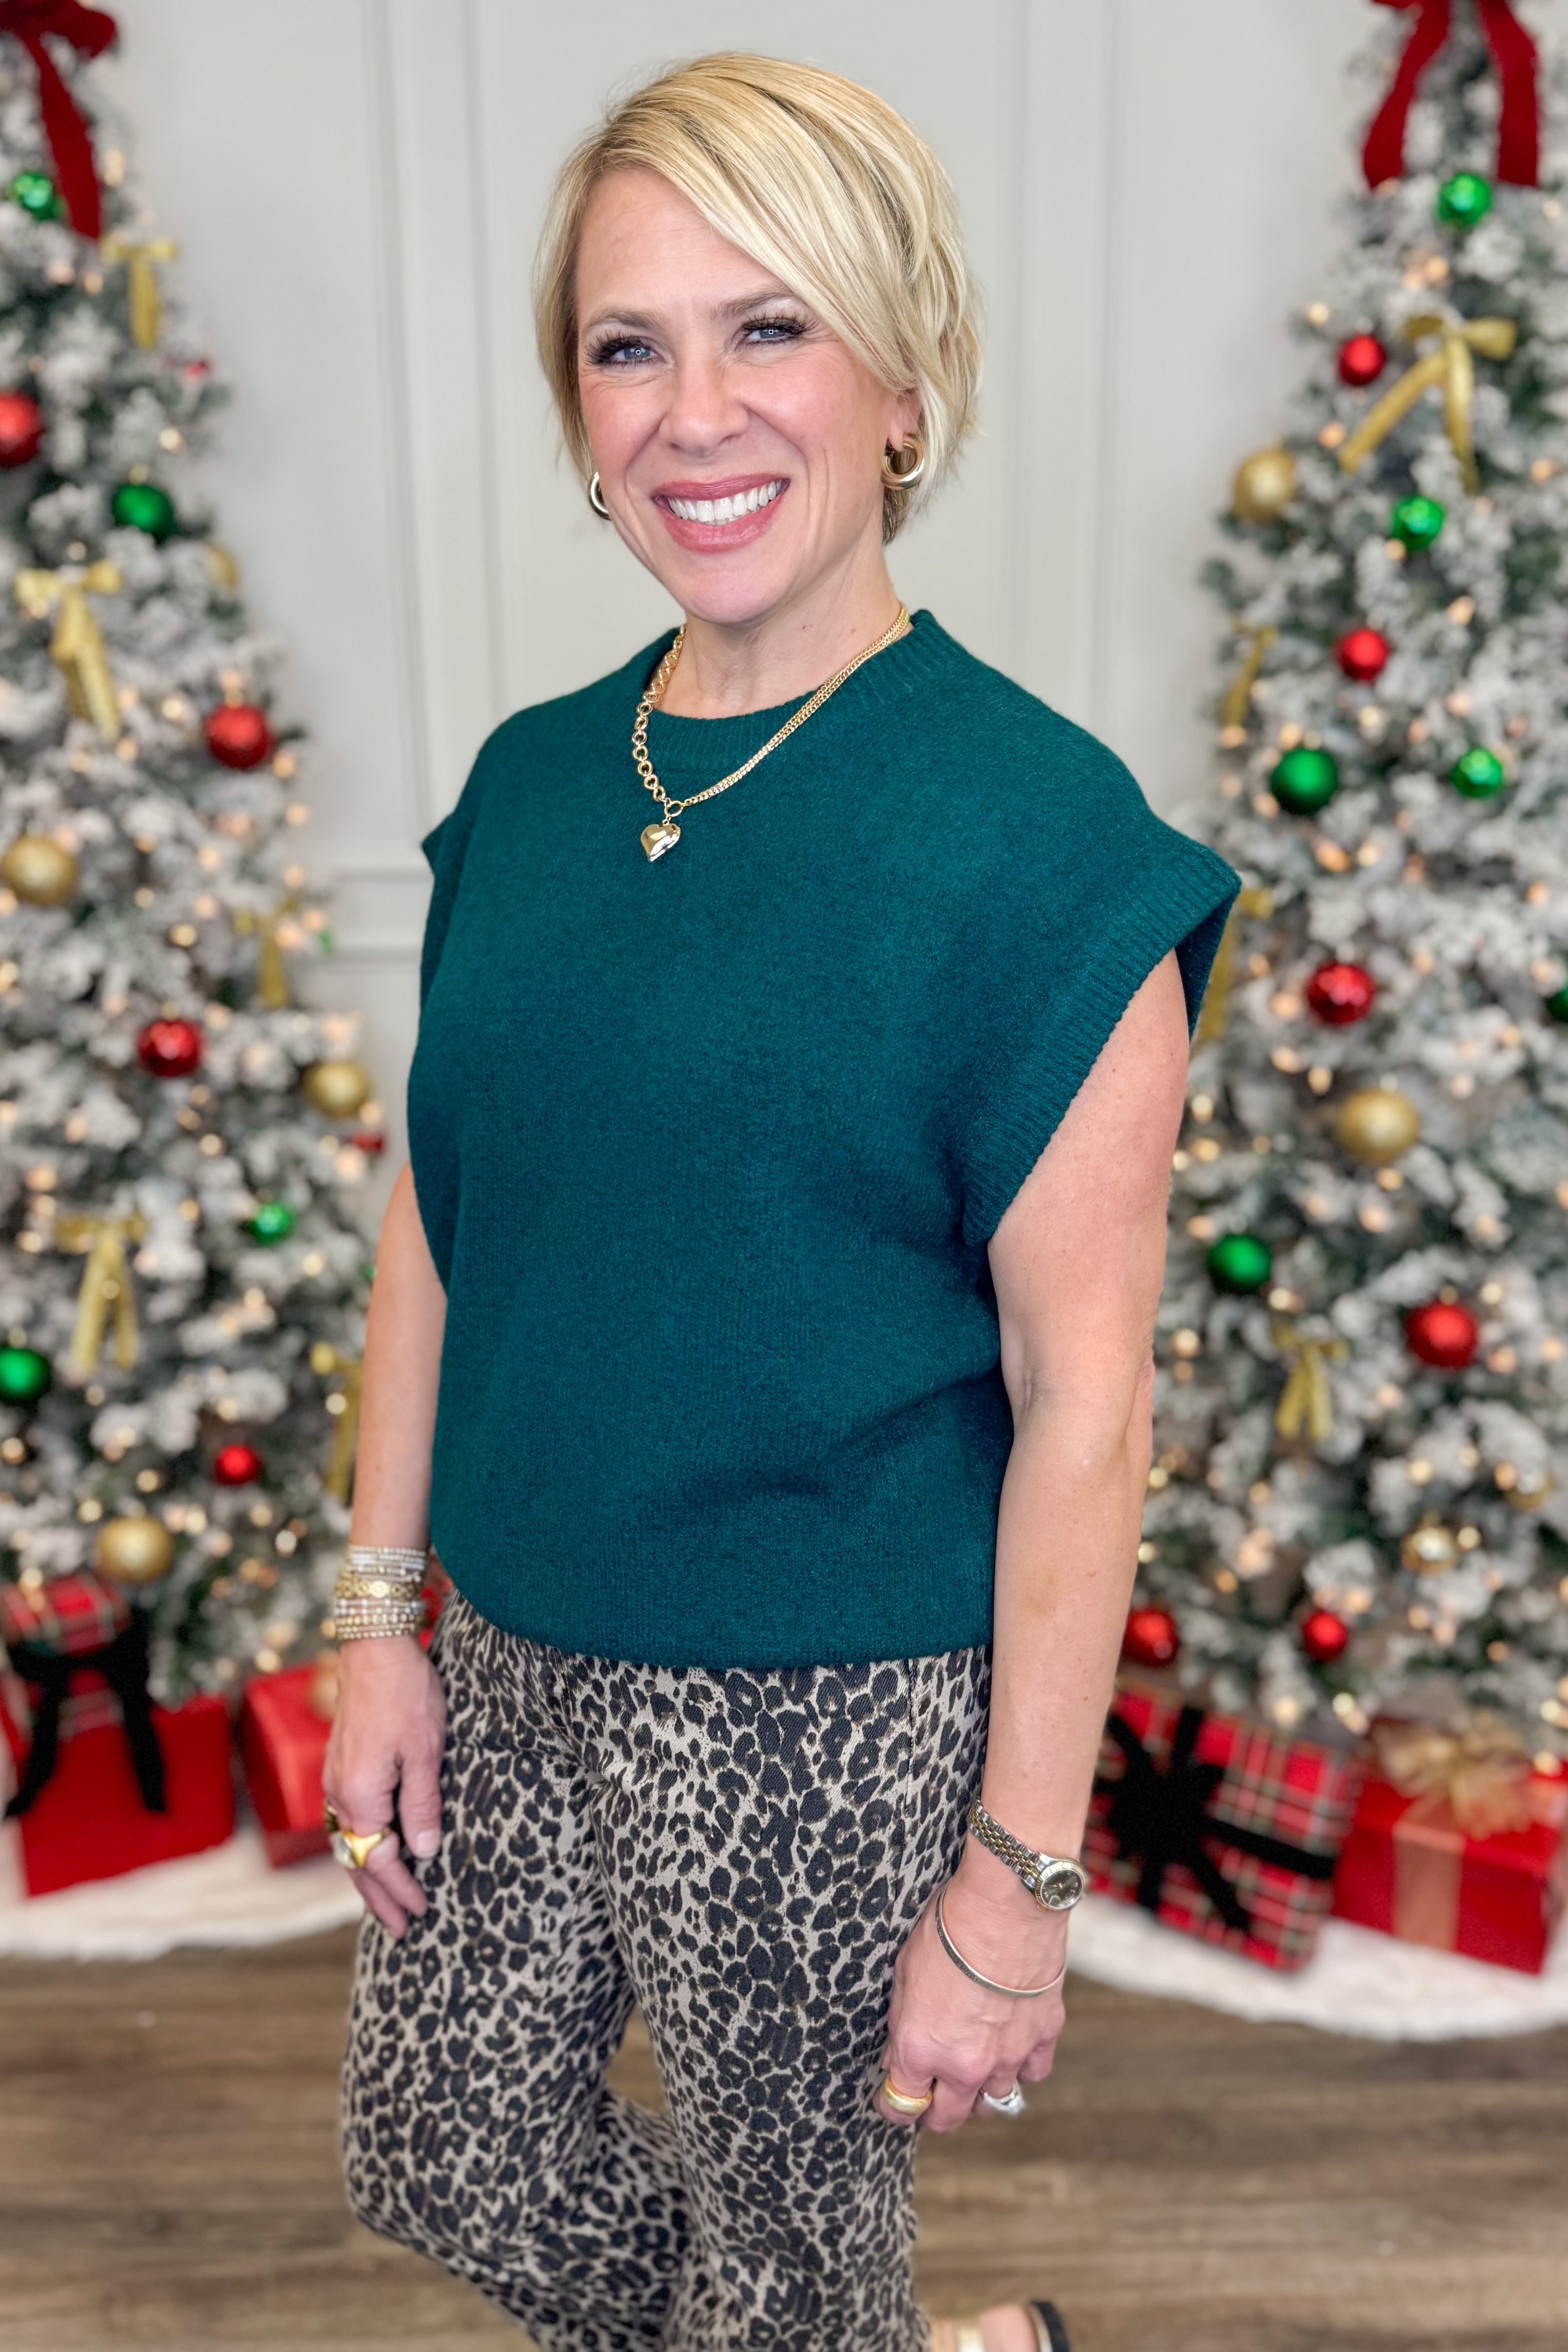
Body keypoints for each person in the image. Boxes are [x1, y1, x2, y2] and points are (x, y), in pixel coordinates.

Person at [325, 51, 1238, 2352]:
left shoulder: (1041, 849)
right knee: (444, 2151)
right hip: (509, 1647)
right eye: (629, 346)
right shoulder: (535, 784)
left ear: (903, 383)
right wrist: (376, 1616)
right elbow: (442, 1214)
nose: (696, 413)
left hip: (815, 1713)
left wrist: (1015, 1883)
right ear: (577, 407)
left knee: (791, 2268)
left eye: (771, 329)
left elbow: (1087, 1404)